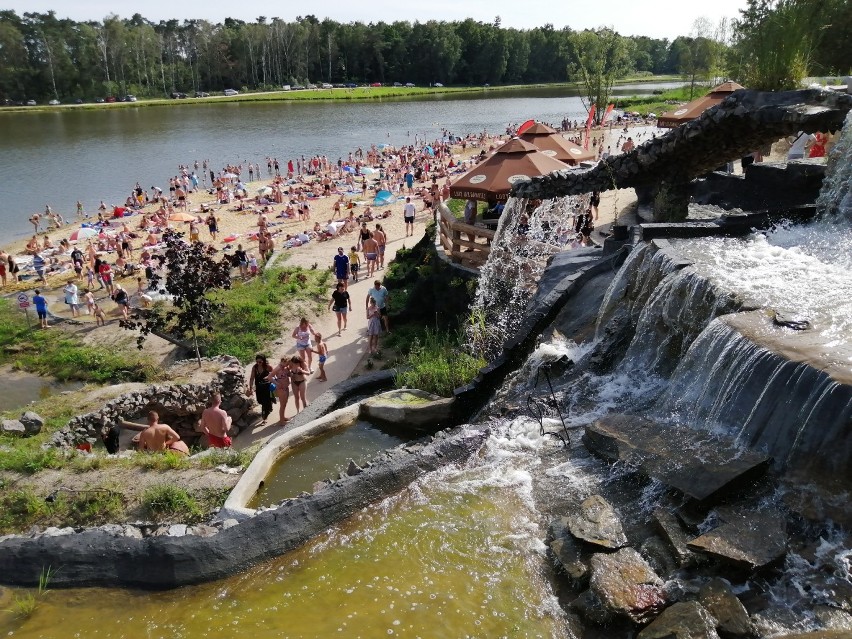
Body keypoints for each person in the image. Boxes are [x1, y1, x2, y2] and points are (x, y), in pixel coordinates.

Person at [247, 353, 274, 420]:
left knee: (265, 402)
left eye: (260, 362)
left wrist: (269, 378)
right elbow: (252, 378)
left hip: (267, 387)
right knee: (260, 401)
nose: (258, 363)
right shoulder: (255, 367)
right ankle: (269, 406)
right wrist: (250, 387)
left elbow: (274, 374)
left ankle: (264, 418)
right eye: (257, 362)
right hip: (259, 387)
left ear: (264, 361)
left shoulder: (268, 367)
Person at [269, 357, 291, 425]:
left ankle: (283, 417)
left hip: (286, 387)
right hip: (281, 389)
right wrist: (277, 383)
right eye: (287, 363)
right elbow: (269, 377)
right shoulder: (277, 368)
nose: (288, 365)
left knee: (284, 404)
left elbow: (288, 374)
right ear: (283, 361)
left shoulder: (285, 368)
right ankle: (281, 421)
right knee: (282, 405)